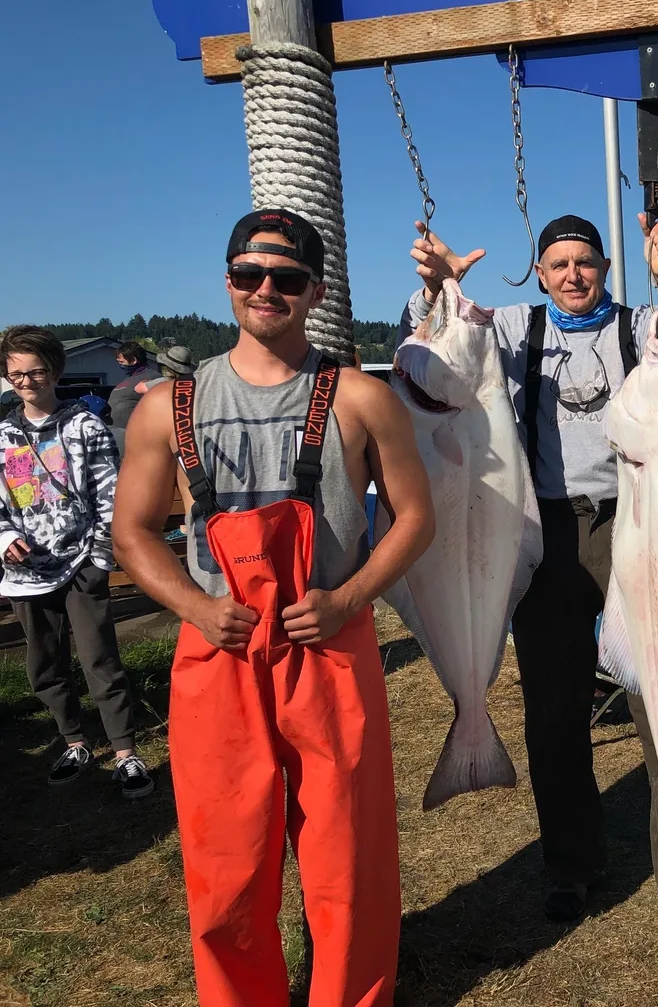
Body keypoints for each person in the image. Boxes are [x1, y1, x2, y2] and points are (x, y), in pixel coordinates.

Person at [113, 208, 436, 1006]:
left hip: (329, 648)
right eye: (250, 275)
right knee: (226, 860)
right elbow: (132, 533)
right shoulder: (168, 407)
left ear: (314, 291)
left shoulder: (362, 397)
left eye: (287, 279)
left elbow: (417, 517)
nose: (267, 291)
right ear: (227, 282)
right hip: (216, 656)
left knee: (345, 853)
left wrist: (351, 597)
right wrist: (193, 605)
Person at [401, 211, 658, 938]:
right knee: (554, 708)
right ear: (540, 274)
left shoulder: (639, 325)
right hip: (544, 529)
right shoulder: (516, 328)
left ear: (606, 268)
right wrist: (438, 288)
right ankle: (571, 866)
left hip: (638, 521)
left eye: (587, 263)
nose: (574, 275)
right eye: (559, 265)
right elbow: (439, 349)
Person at [0, 326, 152, 797]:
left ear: (55, 371)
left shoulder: (84, 425)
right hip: (25, 573)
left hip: (82, 561)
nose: (27, 382)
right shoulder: (3, 434)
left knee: (99, 656)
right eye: (16, 374)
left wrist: (102, 558)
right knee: (44, 664)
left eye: (36, 372)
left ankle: (125, 750)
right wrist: (4, 536)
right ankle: (74, 740)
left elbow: (109, 494)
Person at [107, 340, 160, 456]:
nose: (120, 365)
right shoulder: (128, 380)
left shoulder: (152, 378)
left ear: (134, 360)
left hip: (139, 443)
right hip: (120, 440)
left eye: (122, 362)